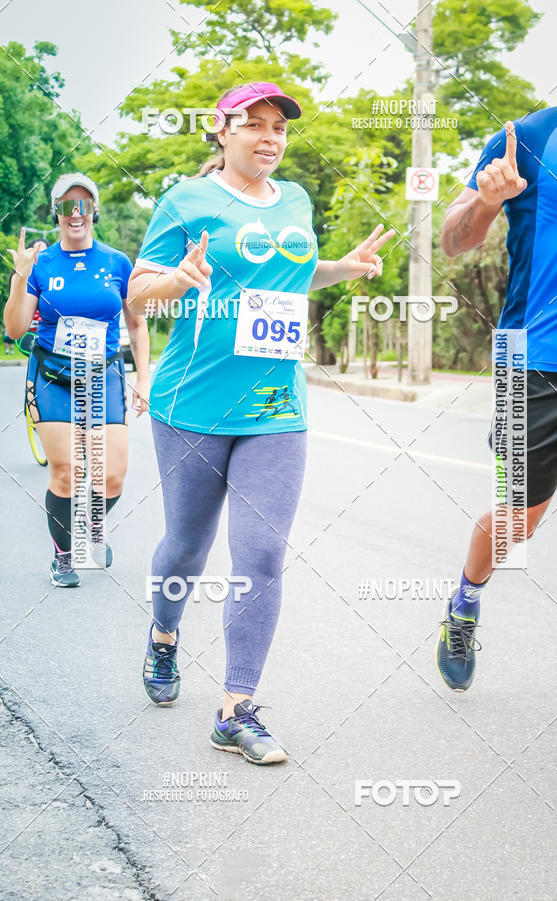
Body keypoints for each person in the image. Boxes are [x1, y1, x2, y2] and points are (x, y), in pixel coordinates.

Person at [127, 81, 394, 764]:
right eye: (255, 125)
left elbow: (290, 278)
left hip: (276, 407)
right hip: (192, 403)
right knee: (187, 546)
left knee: (263, 554)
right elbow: (138, 287)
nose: (270, 137)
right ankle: (163, 634)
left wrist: (343, 266)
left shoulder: (297, 200)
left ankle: (236, 709)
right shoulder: (187, 200)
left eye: (279, 127)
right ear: (222, 132)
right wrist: (178, 280)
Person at [436, 15, 557, 743]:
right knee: (516, 522)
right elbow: (453, 241)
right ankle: (465, 604)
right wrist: (488, 200)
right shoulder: (528, 138)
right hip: (531, 366)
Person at [3, 173, 150, 587]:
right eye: (67, 206)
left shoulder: (118, 262)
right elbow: (14, 328)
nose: (76, 213)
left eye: (84, 205)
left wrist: (144, 378)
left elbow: (137, 326)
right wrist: (20, 275)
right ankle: (64, 554)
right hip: (53, 374)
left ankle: (88, 524)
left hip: (104, 373)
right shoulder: (41, 263)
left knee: (113, 476)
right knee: (67, 470)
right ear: (57, 212)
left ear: (95, 210)